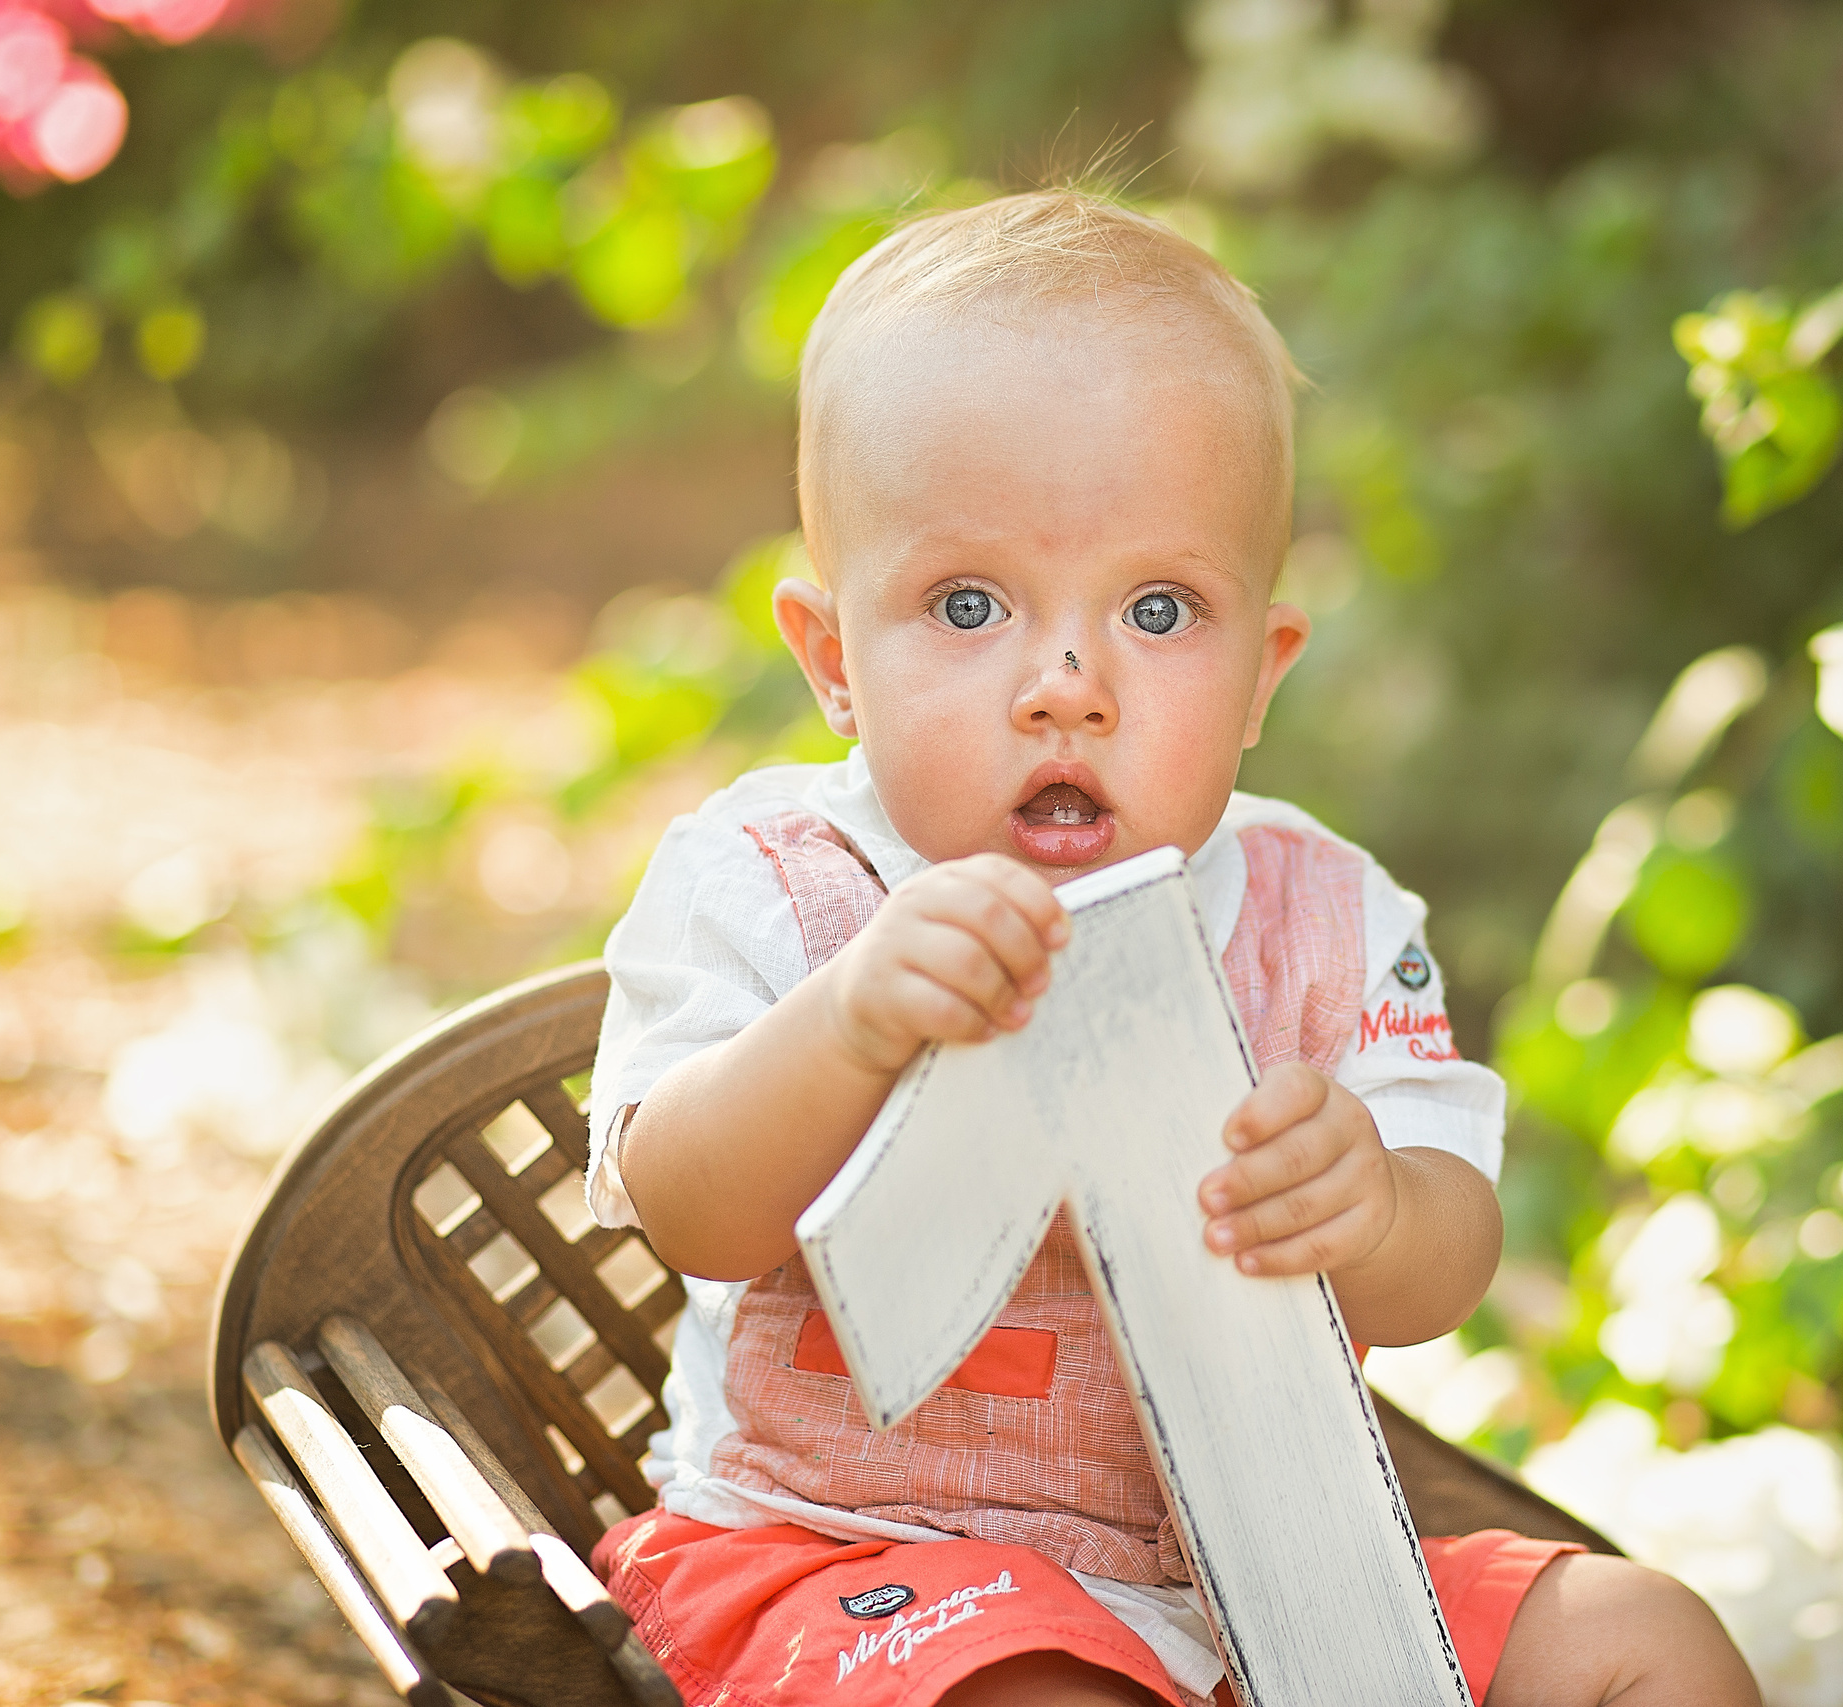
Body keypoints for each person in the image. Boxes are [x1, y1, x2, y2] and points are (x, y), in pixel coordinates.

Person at [582, 189, 1758, 1707]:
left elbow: (1443, 1263)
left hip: (1264, 1570)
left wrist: (1374, 1205)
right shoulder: (768, 880)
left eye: (1158, 607)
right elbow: (689, 1210)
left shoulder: (1325, 915)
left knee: (1645, 1641)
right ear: (834, 660)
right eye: (966, 604)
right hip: (855, 1562)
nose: (1067, 683)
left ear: (1263, 672)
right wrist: (846, 1024)